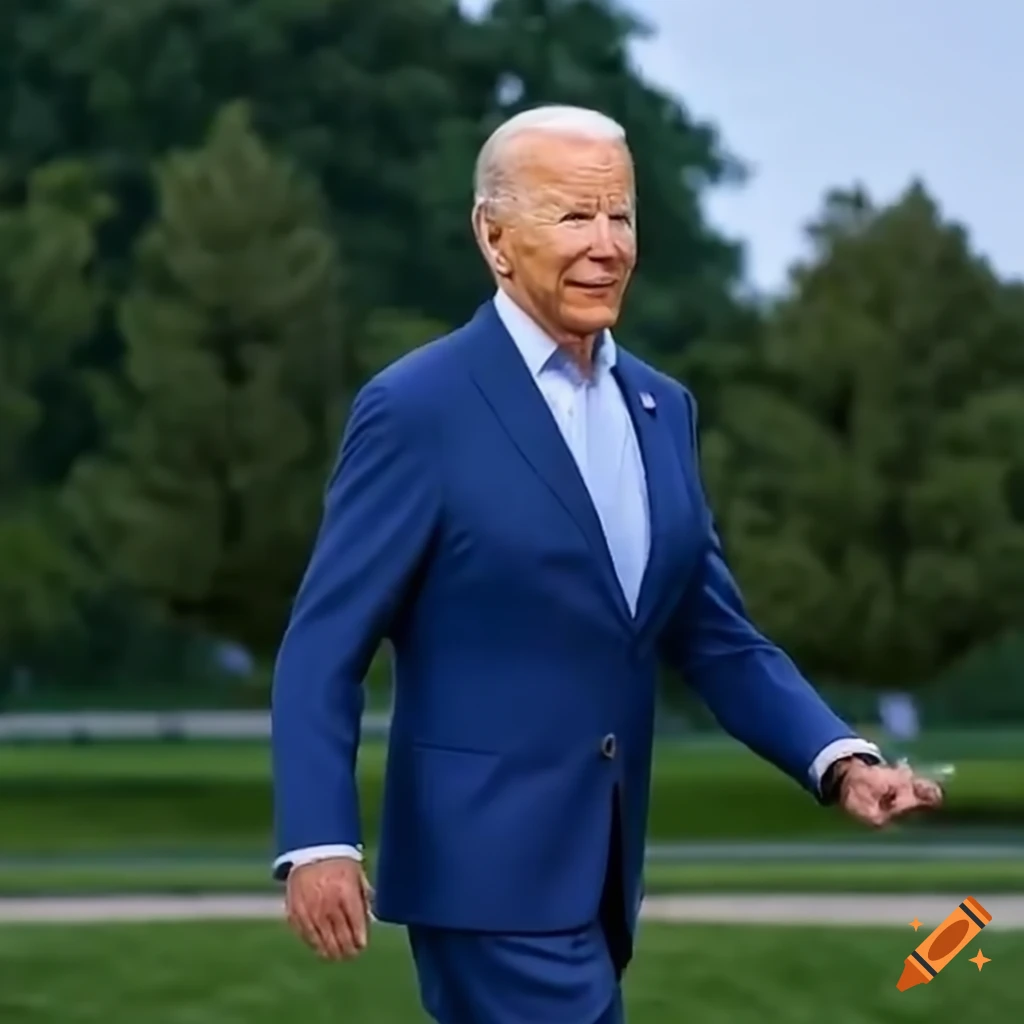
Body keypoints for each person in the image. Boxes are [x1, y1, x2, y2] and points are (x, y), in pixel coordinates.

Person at [270, 105, 943, 1023]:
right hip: (483, 877)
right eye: (573, 216)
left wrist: (841, 761)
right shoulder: (417, 409)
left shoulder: (664, 409)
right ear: (495, 237)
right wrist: (317, 841)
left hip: (599, 879)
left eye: (619, 215)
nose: (606, 245)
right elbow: (323, 648)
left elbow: (716, 638)